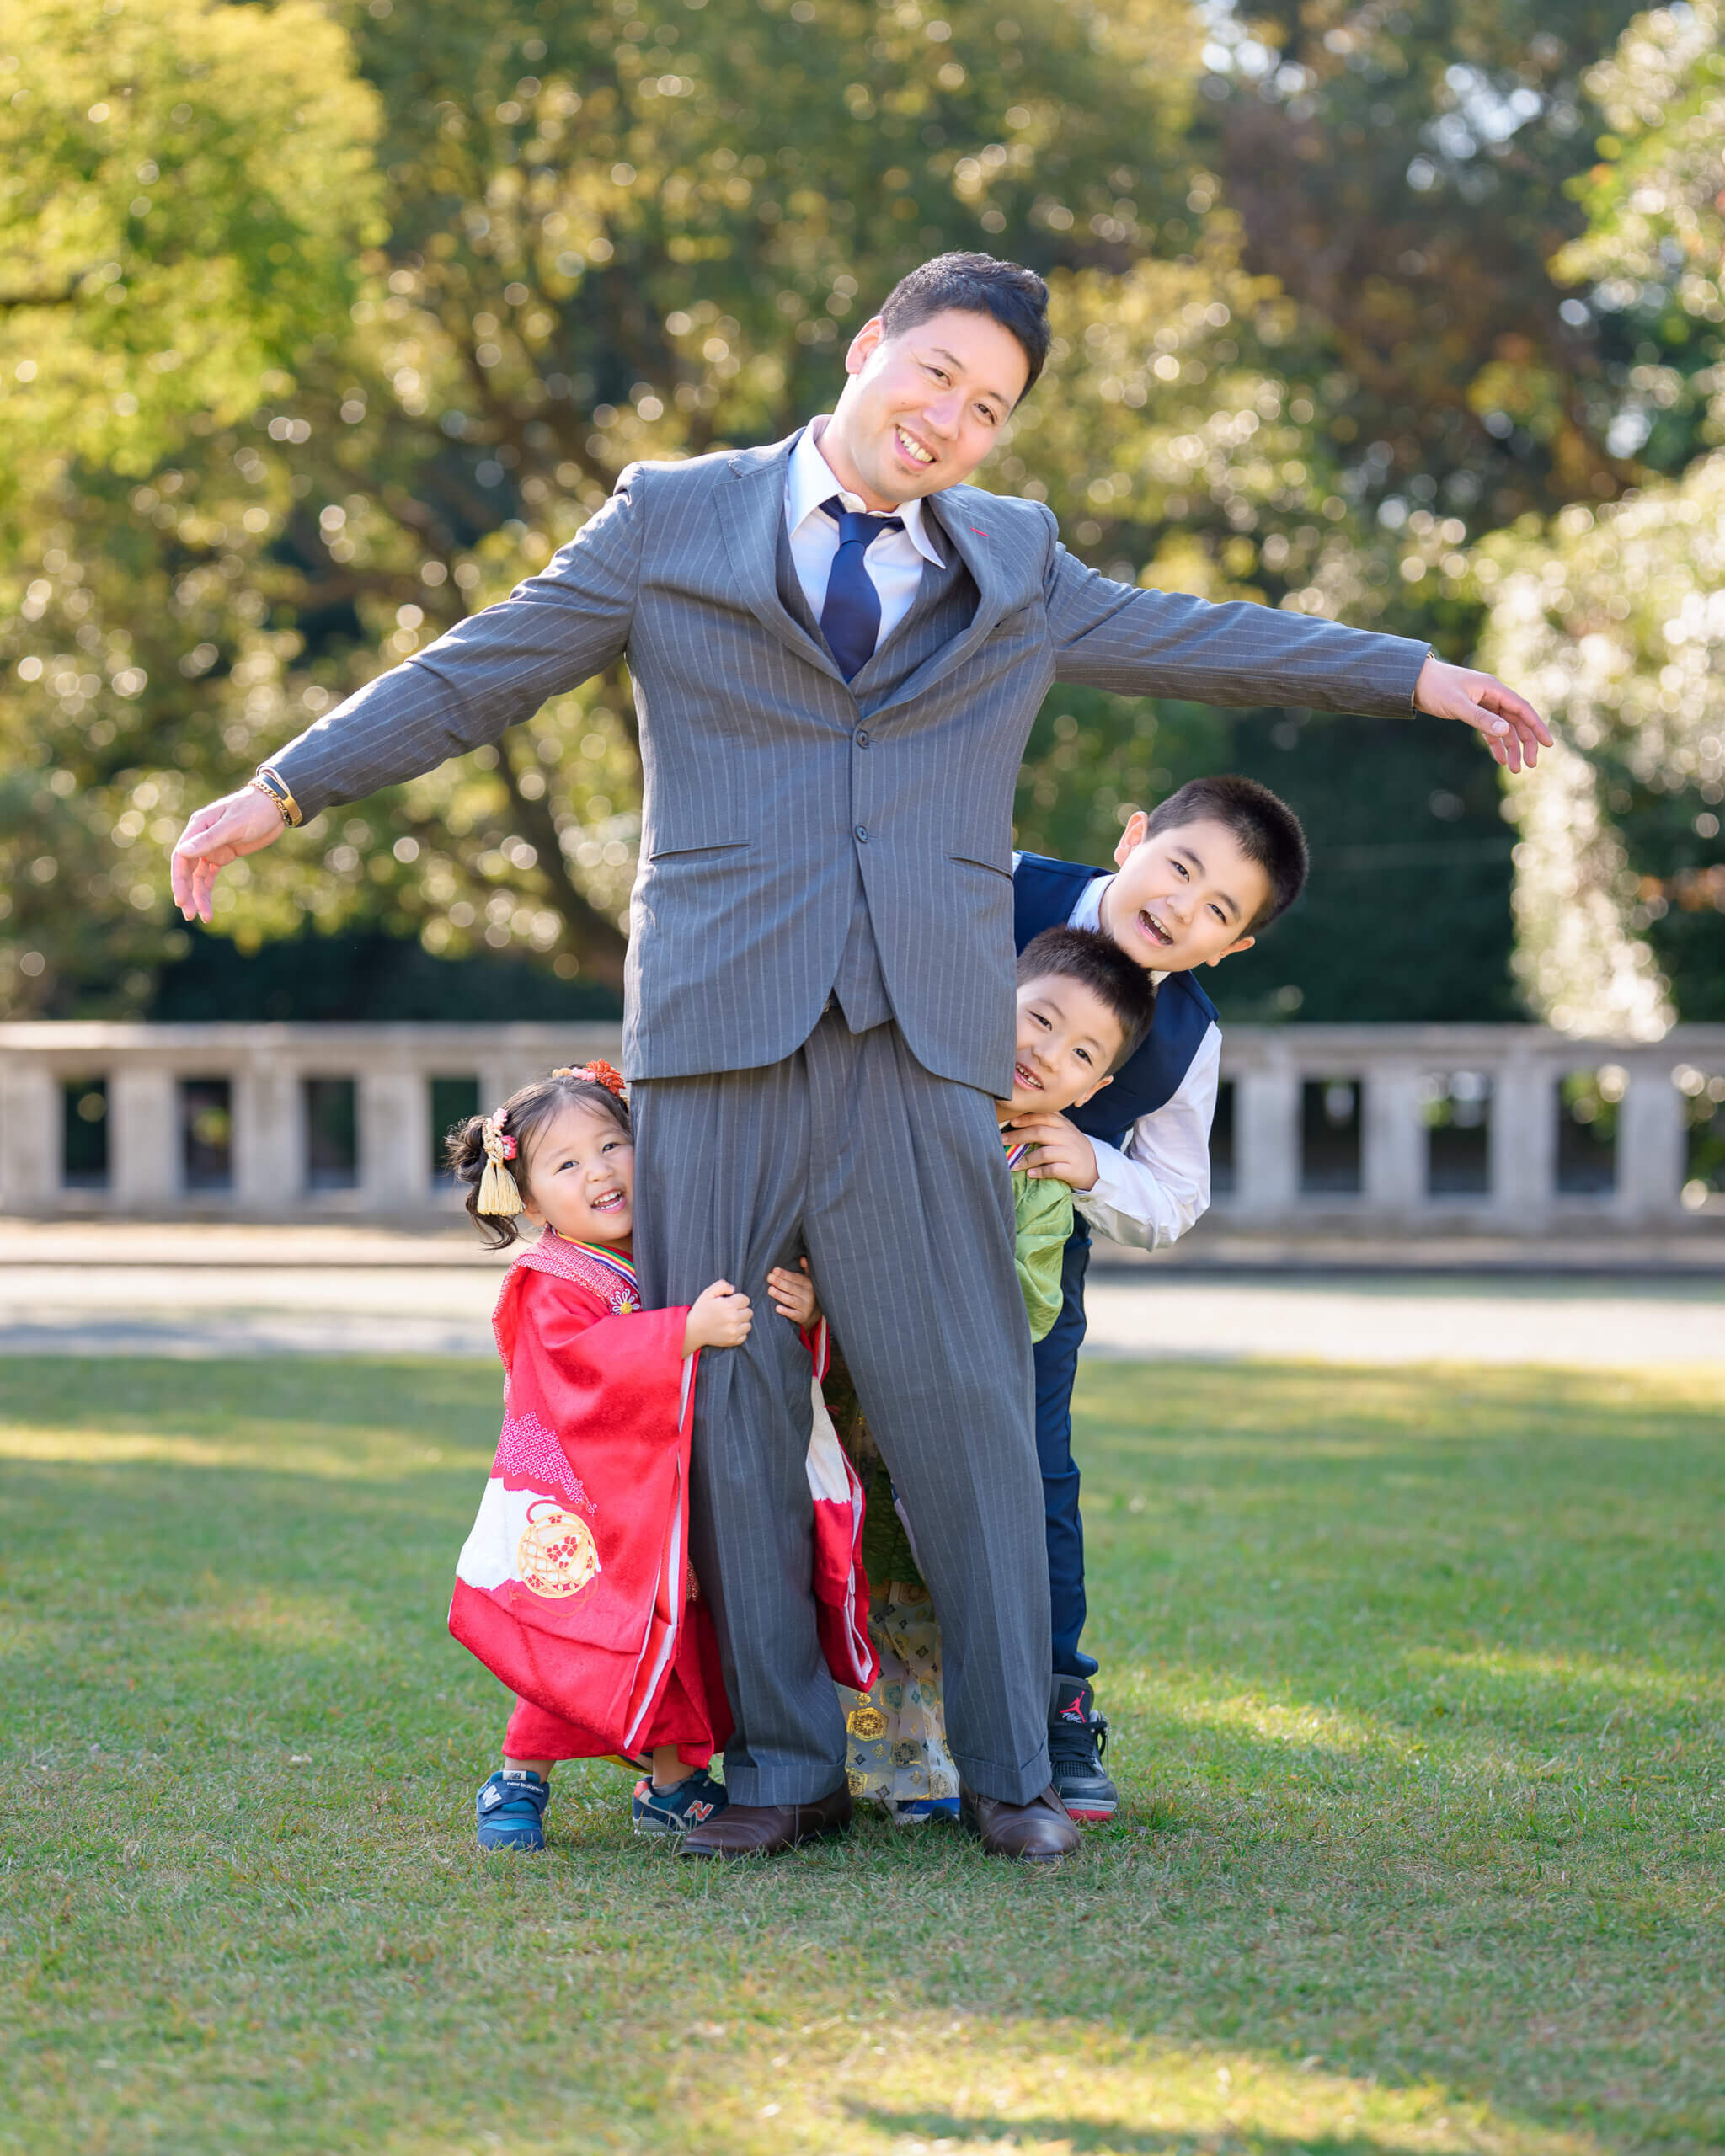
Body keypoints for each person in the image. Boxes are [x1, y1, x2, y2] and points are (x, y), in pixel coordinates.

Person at [170, 249, 1551, 1865]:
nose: (951, 420)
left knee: (964, 1399)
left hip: (920, 1038)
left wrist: (1415, 677)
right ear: (865, 347)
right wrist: (286, 787)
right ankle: (779, 1768)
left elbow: (1204, 638)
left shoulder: (1014, 561)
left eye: (990, 409)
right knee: (735, 1392)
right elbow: (482, 666)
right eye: (937, 375)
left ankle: (1012, 1771)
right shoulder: (670, 518)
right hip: (717, 1030)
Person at [768, 926, 1155, 1831]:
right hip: (840, 1404)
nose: (1046, 1054)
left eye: (1080, 1053)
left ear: (1092, 1092)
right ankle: (823, 1759)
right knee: (841, 1570)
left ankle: (932, 1770)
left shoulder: (1039, 1180)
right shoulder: (888, 1107)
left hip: (948, 1409)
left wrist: (875, 1289)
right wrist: (828, 1293)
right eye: (1039, 1019)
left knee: (936, 1586)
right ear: (985, 1000)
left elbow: (1028, 1305)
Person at [1006, 774, 1307, 1822]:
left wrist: (1089, 1163)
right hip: (874, 1207)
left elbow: (1176, 1199)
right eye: (1178, 867)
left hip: (1028, 1258)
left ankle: (1054, 1701)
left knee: (1036, 1472)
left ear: (1230, 947)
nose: (1181, 907)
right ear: (1133, 836)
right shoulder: (996, 883)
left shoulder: (1187, 1038)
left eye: (1217, 909)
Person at [444, 1061, 751, 1849]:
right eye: (567, 1164)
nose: (601, 1173)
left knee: (678, 1636)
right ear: (528, 1198)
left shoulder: (667, 1247)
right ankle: (519, 1780)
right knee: (572, 1638)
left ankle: (672, 1786)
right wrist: (681, 1332)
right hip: (579, 1498)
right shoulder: (549, 1279)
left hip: (657, 1492)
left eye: (613, 1145)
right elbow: (577, 1363)